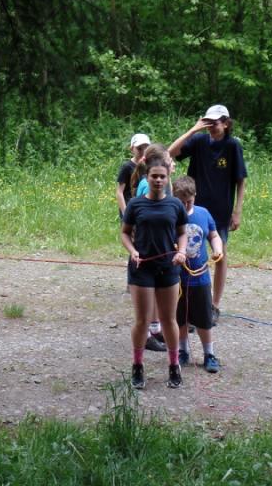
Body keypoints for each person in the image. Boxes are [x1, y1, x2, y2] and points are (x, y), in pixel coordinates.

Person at [168, 105, 247, 324]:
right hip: (192, 208)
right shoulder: (198, 141)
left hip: (220, 210)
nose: (212, 126)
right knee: (188, 252)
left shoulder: (233, 146)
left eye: (216, 122)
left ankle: (214, 305)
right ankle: (185, 302)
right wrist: (193, 130)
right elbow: (169, 153)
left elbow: (241, 180)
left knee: (219, 254)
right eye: (208, 122)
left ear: (226, 123)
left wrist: (237, 211)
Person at [121, 155, 188, 390]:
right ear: (147, 177)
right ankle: (138, 366)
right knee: (142, 320)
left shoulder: (175, 205)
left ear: (168, 178)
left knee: (169, 319)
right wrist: (132, 251)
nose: (158, 180)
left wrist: (182, 251)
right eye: (154, 176)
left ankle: (173, 365)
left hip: (168, 267)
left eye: (162, 176)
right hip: (141, 268)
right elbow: (125, 233)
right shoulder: (136, 204)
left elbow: (182, 232)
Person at [115, 134, 166, 353]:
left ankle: (155, 328)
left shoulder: (155, 177)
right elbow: (121, 192)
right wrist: (128, 215)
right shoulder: (143, 179)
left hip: (152, 242)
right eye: (140, 148)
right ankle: (147, 333)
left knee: (154, 287)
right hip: (142, 238)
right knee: (144, 284)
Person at [173, 176, 225, 373]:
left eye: (189, 201)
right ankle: (182, 350)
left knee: (204, 318)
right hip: (177, 278)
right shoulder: (172, 215)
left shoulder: (203, 213)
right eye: (181, 201)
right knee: (180, 318)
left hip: (200, 277)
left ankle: (209, 354)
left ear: (195, 196)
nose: (186, 205)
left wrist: (217, 249)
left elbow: (213, 234)